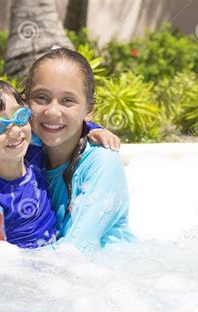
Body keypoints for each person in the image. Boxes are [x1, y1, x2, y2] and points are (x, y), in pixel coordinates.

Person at [0, 79, 119, 249]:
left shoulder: (33, 154)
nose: (15, 130)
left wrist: (93, 128)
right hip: (25, 267)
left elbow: (65, 127)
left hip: (55, 254)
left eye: (20, 117)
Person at [24, 48, 138, 250]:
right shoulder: (24, 151)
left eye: (68, 100)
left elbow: (75, 250)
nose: (52, 111)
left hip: (110, 275)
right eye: (41, 97)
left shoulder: (102, 162)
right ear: (26, 101)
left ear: (89, 110)